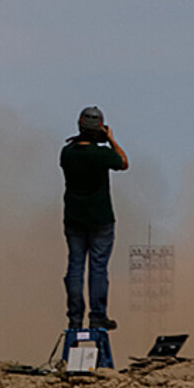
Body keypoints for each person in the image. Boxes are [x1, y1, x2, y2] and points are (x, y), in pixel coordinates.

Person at [60, 106, 130, 331]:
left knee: (75, 267)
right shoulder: (100, 154)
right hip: (100, 220)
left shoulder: (67, 153)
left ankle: (75, 317)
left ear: (79, 124)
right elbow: (123, 162)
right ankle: (97, 315)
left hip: (74, 219)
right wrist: (111, 139)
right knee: (98, 269)